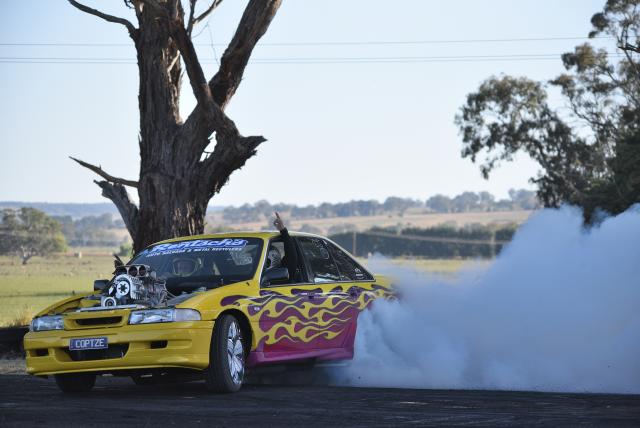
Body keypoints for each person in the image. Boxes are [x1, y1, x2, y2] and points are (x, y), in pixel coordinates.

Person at [265, 212, 299, 281]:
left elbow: (291, 255)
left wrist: (283, 231)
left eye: (266, 261)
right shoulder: (254, 272)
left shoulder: (285, 272)